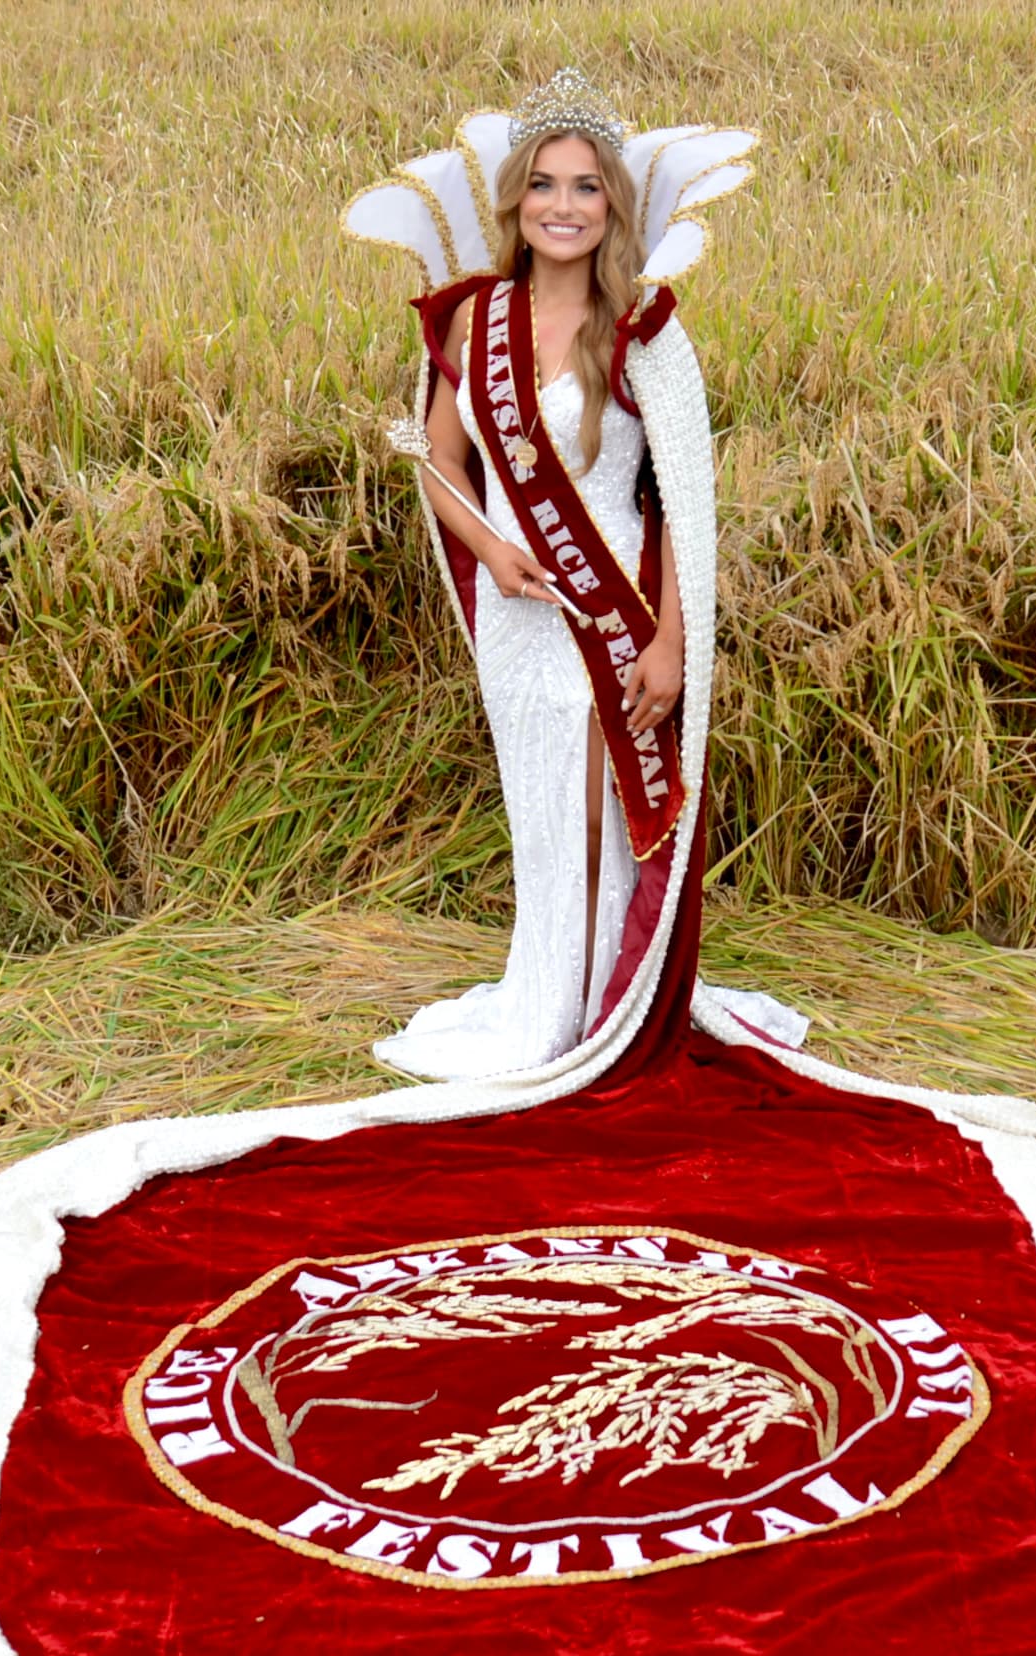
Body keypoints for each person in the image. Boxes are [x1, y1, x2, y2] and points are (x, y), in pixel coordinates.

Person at [347, 70, 804, 1079]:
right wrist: (492, 551)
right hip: (520, 618)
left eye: (586, 188)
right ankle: (547, 991)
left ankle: (608, 1010)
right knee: (545, 808)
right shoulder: (476, 322)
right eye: (544, 185)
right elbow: (439, 465)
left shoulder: (644, 330)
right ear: (517, 202)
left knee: (606, 811)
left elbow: (686, 505)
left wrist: (671, 642)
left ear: (613, 207)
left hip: (614, 612)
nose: (563, 206)